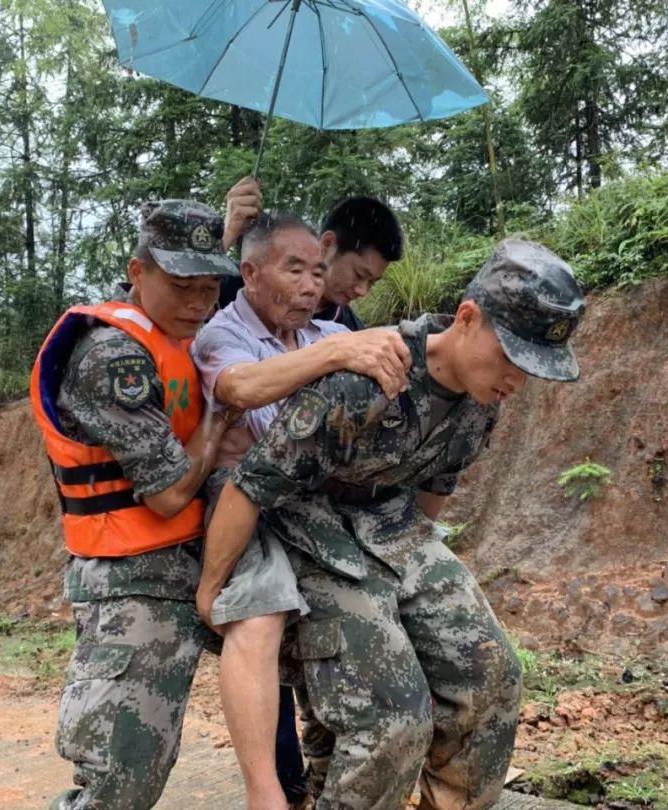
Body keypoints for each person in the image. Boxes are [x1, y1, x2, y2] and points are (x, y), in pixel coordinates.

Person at [198, 239, 587, 809]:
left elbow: (434, 491)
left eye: (531, 369)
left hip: (394, 532)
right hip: (313, 534)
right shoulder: (365, 381)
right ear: (467, 318)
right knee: (392, 717)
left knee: (491, 679)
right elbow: (249, 488)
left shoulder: (483, 398)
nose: (516, 382)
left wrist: (410, 587)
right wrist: (212, 588)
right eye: (511, 358)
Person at [191, 212, 412, 809]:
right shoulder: (223, 333)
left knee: (376, 603)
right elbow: (242, 389)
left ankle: (331, 768)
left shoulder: (318, 335)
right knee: (259, 615)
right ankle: (264, 794)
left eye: (319, 270)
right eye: (295, 269)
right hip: (244, 497)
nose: (313, 285)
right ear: (250, 273)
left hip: (311, 501)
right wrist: (339, 354)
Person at [31, 200, 240, 810]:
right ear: (138, 271)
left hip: (201, 560)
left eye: (210, 287)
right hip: (134, 581)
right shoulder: (111, 356)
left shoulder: (185, 336)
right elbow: (172, 494)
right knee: (122, 780)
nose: (200, 303)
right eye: (183, 286)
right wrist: (218, 421)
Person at [218, 176, 404, 331]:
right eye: (359, 275)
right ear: (327, 244)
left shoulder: (349, 332)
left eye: (372, 282)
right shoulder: (242, 284)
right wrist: (228, 233)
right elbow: (195, 293)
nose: (363, 291)